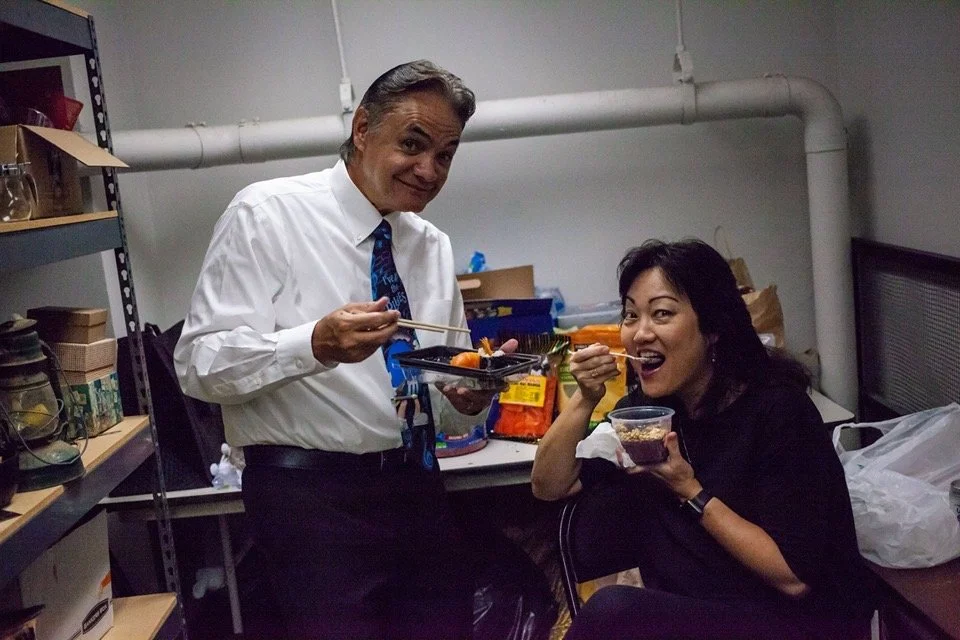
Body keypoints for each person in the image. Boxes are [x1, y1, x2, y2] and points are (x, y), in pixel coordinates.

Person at [175, 60, 510, 640]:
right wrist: (313, 343)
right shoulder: (267, 214)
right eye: (413, 143)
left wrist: (469, 393)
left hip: (417, 487)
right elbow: (198, 366)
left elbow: (443, 401)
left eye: (446, 155)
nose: (429, 170)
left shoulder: (429, 245)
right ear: (362, 129)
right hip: (311, 500)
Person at [531, 239, 876, 639]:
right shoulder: (647, 411)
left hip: (791, 621)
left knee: (614, 612)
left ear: (712, 327)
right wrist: (585, 400)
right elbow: (548, 486)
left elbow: (793, 577)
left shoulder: (778, 411)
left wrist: (687, 487)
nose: (640, 333)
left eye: (661, 314)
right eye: (630, 315)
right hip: (697, 610)